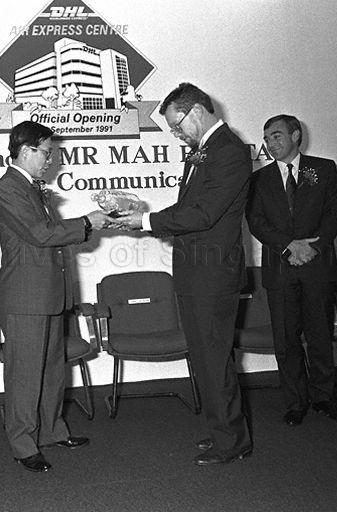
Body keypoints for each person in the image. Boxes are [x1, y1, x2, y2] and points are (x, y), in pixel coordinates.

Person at [114, 83, 252, 465]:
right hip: (195, 272)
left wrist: (145, 221)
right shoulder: (204, 151)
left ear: (197, 111)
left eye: (177, 125)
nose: (175, 133)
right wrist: (144, 216)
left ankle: (232, 441)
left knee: (214, 359)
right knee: (206, 358)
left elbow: (204, 214)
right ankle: (223, 431)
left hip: (213, 275)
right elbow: (187, 209)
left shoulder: (229, 151)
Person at [0, 121, 111, 473]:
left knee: (51, 370)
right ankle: (23, 444)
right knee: (25, 376)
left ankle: (51, 431)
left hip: (46, 294)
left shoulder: (31, 187)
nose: (50, 159)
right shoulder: (9, 187)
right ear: (25, 151)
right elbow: (42, 234)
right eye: (45, 152)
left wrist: (90, 223)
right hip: (25, 297)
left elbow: (49, 236)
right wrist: (87, 223)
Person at [246, 114, 337, 426]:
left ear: (295, 135)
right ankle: (295, 402)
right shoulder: (258, 179)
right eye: (266, 138)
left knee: (320, 335)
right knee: (286, 339)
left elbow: (336, 211)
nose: (270, 143)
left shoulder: (324, 168)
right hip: (280, 267)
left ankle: (324, 398)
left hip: (317, 266)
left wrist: (313, 247)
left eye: (276, 136)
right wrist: (289, 246)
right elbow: (256, 221)